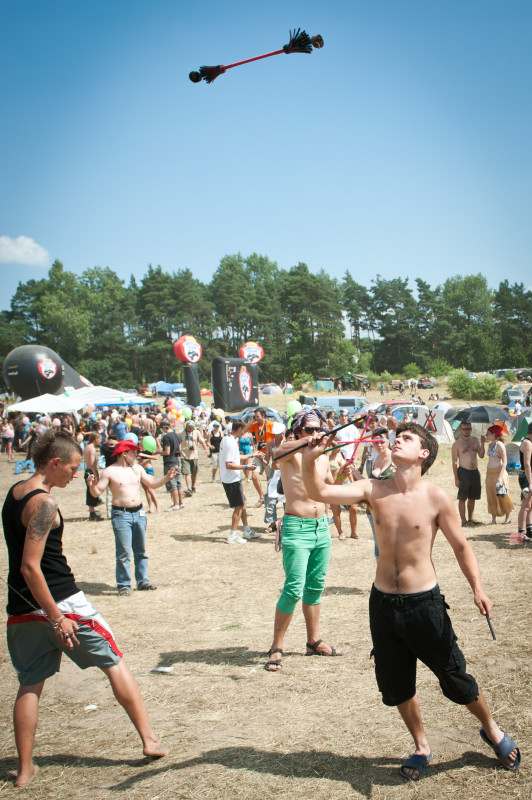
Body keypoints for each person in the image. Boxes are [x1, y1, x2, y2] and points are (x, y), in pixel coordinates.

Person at [301, 422, 521, 780]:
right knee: (396, 682)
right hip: (383, 605)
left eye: (406, 438)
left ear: (423, 454)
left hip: (425, 605)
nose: (396, 440)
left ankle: (492, 730)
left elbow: (461, 546)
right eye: (396, 437)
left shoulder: (436, 497)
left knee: (455, 676)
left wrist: (478, 589)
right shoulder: (372, 489)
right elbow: (319, 492)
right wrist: (311, 460)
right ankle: (421, 745)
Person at [2, 431, 166, 787]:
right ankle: (150, 739)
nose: (76, 476)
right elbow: (32, 566)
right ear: (55, 462)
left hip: (19, 606)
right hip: (60, 602)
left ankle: (25, 769)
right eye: (74, 468)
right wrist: (57, 616)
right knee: (113, 660)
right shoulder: (44, 503)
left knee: (29, 684)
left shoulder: (15, 492)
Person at [264, 409, 342, 672]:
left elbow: (331, 488)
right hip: (296, 528)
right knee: (293, 588)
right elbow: (276, 452)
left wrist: (344, 474)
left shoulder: (321, 457)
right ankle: (276, 647)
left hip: (321, 528)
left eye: (317, 429)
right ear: (297, 431)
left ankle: (313, 641)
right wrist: (306, 442)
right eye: (309, 430)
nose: (315, 434)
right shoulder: (288, 454)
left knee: (315, 587)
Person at [87, 439, 178, 595]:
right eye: (134, 452)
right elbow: (97, 492)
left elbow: (152, 484)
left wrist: (167, 478)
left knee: (141, 550)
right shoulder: (110, 471)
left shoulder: (137, 468)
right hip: (121, 514)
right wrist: (91, 485)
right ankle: (123, 585)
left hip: (139, 513)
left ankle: (143, 581)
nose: (137, 454)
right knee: (123, 552)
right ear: (124, 453)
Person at [219, 418, 259, 544]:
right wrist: (247, 467)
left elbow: (237, 457)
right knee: (239, 506)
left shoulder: (227, 439)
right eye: (243, 431)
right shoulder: (230, 443)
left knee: (243, 503)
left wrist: (253, 455)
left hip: (230, 478)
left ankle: (246, 530)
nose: (244, 434)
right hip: (231, 479)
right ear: (239, 429)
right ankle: (232, 534)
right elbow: (229, 465)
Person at [452, 421, 485, 526]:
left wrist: (483, 444)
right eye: (465, 429)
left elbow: (481, 455)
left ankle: (471, 518)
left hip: (475, 472)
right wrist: (456, 479)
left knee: (472, 497)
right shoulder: (456, 444)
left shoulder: (475, 440)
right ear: (460, 430)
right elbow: (454, 463)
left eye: (469, 429)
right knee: (462, 498)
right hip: (463, 472)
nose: (467, 431)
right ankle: (463, 520)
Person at [485, 425, 514, 524]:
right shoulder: (489, 445)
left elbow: (505, 462)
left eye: (488, 433)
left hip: (499, 472)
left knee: (502, 494)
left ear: (494, 434)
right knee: (491, 494)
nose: (486, 435)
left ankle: (507, 518)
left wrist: (500, 477)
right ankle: (493, 518)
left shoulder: (500, 445)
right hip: (490, 473)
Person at [247, 408, 276, 506]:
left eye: (257, 416)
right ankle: (261, 497)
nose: (256, 418)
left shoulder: (271, 425)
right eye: (255, 416)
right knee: (254, 476)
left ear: (263, 415)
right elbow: (245, 429)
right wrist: (251, 420)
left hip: (269, 455)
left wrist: (268, 444)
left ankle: (269, 498)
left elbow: (278, 439)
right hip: (259, 454)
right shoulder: (255, 425)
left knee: (269, 478)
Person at [179, 420, 209, 496]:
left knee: (194, 473)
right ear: (186, 427)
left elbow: (202, 441)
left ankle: (193, 486)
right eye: (189, 428)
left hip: (194, 455)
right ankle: (189, 488)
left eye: (192, 428)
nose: (190, 429)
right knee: (187, 473)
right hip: (184, 455)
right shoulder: (181, 433)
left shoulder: (196, 432)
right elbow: (178, 442)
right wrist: (178, 451)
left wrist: (206, 450)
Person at [160, 420, 184, 511]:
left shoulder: (166, 437)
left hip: (170, 462)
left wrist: (158, 452)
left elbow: (167, 452)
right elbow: (179, 450)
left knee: (172, 484)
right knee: (178, 483)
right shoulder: (176, 435)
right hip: (177, 460)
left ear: (163, 427)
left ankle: (175, 504)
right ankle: (181, 502)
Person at [517, 421, 532, 541]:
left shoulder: (528, 442)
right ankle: (520, 534)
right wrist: (530, 482)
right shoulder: (527, 443)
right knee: (526, 506)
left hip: (528, 476)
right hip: (527, 476)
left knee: (530, 506)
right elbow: (527, 464)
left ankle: (529, 529)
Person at [84, 432, 103, 521]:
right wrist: (96, 475)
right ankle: (92, 514)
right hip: (91, 471)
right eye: (99, 439)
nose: (100, 441)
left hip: (87, 471)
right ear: (95, 439)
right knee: (92, 492)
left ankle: (92, 512)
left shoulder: (86, 447)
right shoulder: (92, 449)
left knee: (90, 492)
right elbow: (92, 464)